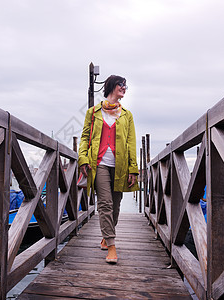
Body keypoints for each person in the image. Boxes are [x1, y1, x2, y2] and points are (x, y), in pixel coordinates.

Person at [78, 74, 139, 264]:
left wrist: (133, 169)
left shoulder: (127, 115)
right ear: (112, 86)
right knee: (105, 203)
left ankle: (106, 236)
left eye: (126, 86)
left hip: (120, 166)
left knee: (116, 205)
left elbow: (131, 143)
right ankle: (111, 246)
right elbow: (84, 137)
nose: (124, 88)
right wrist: (83, 158)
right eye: (122, 84)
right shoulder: (93, 112)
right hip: (99, 164)